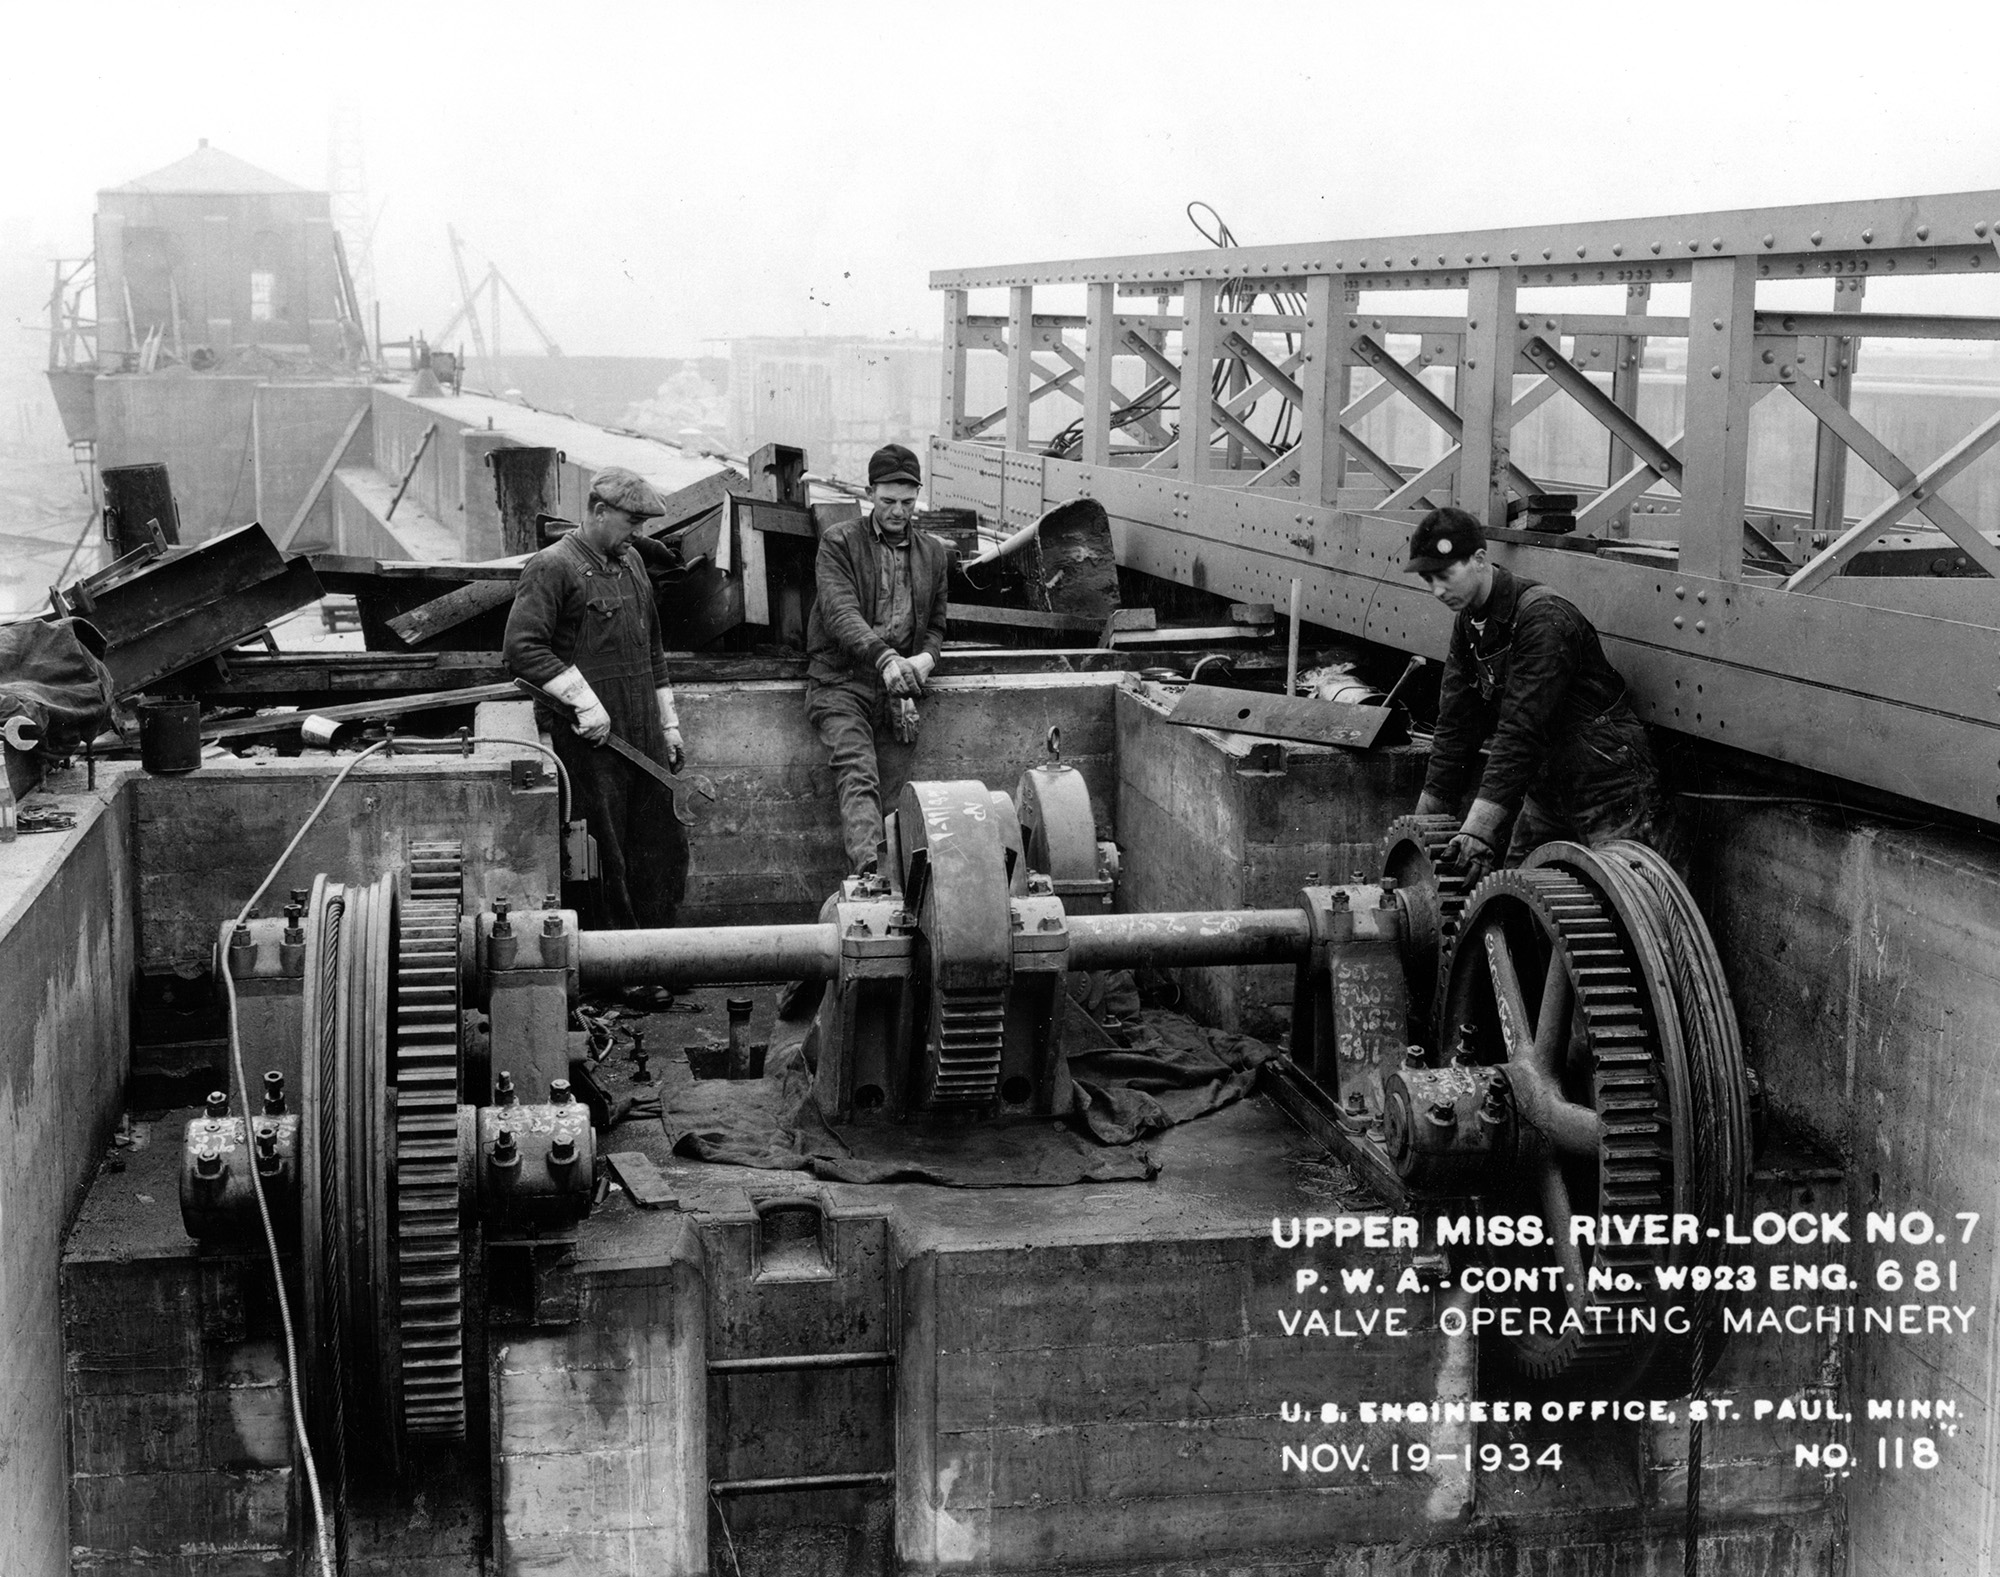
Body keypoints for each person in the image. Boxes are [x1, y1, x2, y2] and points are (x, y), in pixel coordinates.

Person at [1405, 506, 1671, 881]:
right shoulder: (1469, 624)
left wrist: (1480, 828)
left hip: (1607, 780)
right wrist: (1423, 824)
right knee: (1517, 890)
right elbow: (1455, 727)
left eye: (1445, 576)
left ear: (1479, 560)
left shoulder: (1543, 617)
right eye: (1428, 579)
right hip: (1549, 782)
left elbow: (1521, 728)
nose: (1437, 591)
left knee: (1625, 897)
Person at [504, 466, 690, 945]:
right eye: (632, 522)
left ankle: (662, 953)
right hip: (590, 743)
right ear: (599, 511)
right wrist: (584, 703)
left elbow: (652, 649)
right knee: (604, 857)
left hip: (641, 734)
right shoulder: (552, 566)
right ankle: (620, 966)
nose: (639, 534)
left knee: (661, 845)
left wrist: (668, 725)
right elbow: (523, 649)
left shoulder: (633, 565)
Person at [805, 442, 950, 875]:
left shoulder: (933, 553)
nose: (898, 512)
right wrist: (885, 659)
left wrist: (926, 659)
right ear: (870, 494)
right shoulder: (839, 543)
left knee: (894, 794)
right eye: (888, 501)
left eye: (908, 502)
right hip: (841, 683)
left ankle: (901, 884)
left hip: (899, 693)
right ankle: (871, 879)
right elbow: (840, 613)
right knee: (858, 773)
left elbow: (938, 624)